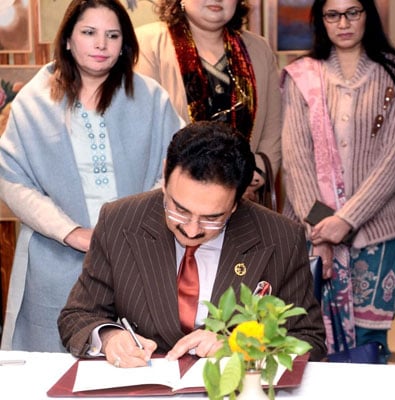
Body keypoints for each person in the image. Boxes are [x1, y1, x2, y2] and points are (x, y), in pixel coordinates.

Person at [58, 121, 326, 366]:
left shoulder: (280, 237)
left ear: (237, 202)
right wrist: (109, 337)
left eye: (212, 218)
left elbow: (308, 340)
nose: (192, 229)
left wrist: (239, 346)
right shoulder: (120, 221)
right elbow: (79, 315)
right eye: (180, 209)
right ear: (165, 175)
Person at [0, 0, 183, 352]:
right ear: (68, 39)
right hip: (55, 256)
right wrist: (72, 233)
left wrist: (137, 225)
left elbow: (175, 169)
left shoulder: (150, 98)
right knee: (54, 366)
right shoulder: (33, 102)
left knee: (137, 360)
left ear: (123, 45)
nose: (101, 44)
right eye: (89, 33)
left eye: (112, 35)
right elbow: (12, 179)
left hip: (139, 254)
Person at [280, 0, 395, 363]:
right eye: (332, 14)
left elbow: (394, 160)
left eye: (352, 12)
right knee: (305, 336)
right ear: (320, 21)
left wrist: (346, 220)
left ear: (368, 16)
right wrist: (323, 226)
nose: (343, 22)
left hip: (377, 235)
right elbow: (296, 161)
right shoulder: (301, 76)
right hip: (311, 235)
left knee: (370, 342)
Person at [135, 0, 281, 202]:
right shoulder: (147, 43)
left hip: (243, 196)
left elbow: (273, 129)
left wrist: (253, 174)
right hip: (175, 198)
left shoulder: (259, 48)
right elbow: (144, 131)